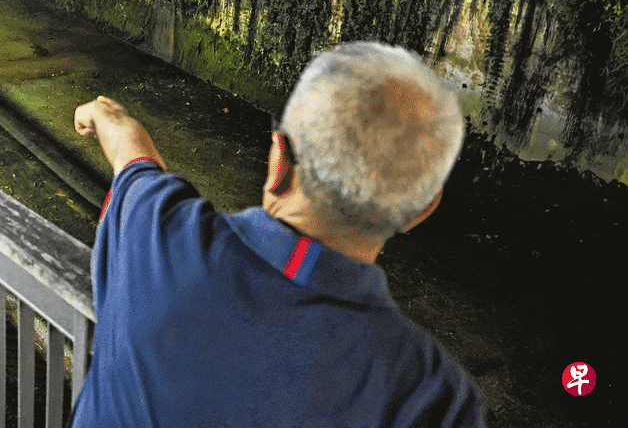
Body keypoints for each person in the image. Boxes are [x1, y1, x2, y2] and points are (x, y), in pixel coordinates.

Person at [70, 41, 485, 427]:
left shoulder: (155, 228)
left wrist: (108, 115)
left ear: (278, 160)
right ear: (420, 211)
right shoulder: (433, 398)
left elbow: (132, 158)